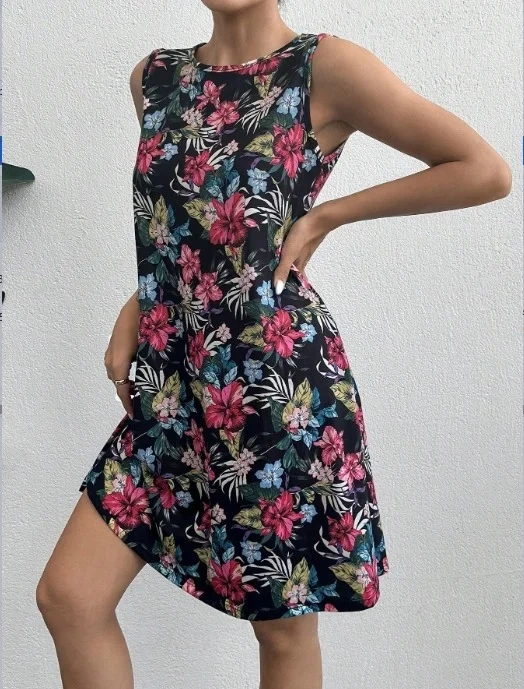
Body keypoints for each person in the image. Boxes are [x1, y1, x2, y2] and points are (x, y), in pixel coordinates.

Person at [35, 1, 512, 688]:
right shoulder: (155, 78)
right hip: (175, 384)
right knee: (70, 596)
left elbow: (483, 169)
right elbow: (185, 222)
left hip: (273, 383)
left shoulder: (323, 66)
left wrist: (327, 217)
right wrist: (137, 305)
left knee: (282, 628)